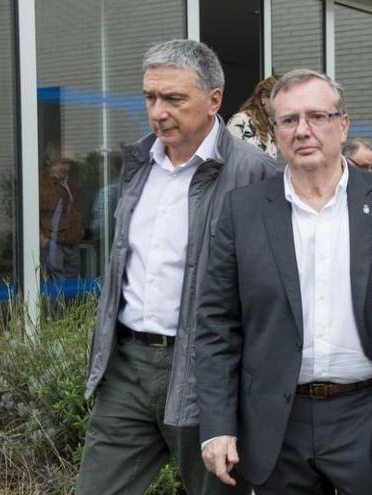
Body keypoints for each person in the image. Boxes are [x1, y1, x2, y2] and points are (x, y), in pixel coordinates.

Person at [195, 68, 372, 495]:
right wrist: (217, 425)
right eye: (288, 120)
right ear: (274, 132)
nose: (303, 130)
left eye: (317, 116)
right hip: (279, 423)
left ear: (342, 124)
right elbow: (217, 324)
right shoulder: (245, 211)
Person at [78, 39, 277, 495]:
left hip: (207, 373)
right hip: (127, 366)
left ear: (214, 100)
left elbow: (271, 288)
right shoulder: (138, 165)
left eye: (173, 98)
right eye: (150, 97)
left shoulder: (255, 174)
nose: (158, 112)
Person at [39, 153, 86, 280]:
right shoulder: (42, 185)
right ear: (51, 165)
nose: (66, 167)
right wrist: (40, 236)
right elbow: (31, 210)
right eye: (62, 163)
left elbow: (77, 212)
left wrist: (79, 232)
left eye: (68, 163)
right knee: (56, 283)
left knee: (73, 284)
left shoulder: (72, 185)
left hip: (72, 242)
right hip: (53, 242)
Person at [226, 74, 281, 158]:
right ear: (263, 98)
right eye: (278, 100)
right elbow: (227, 157)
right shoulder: (241, 120)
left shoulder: (270, 127)